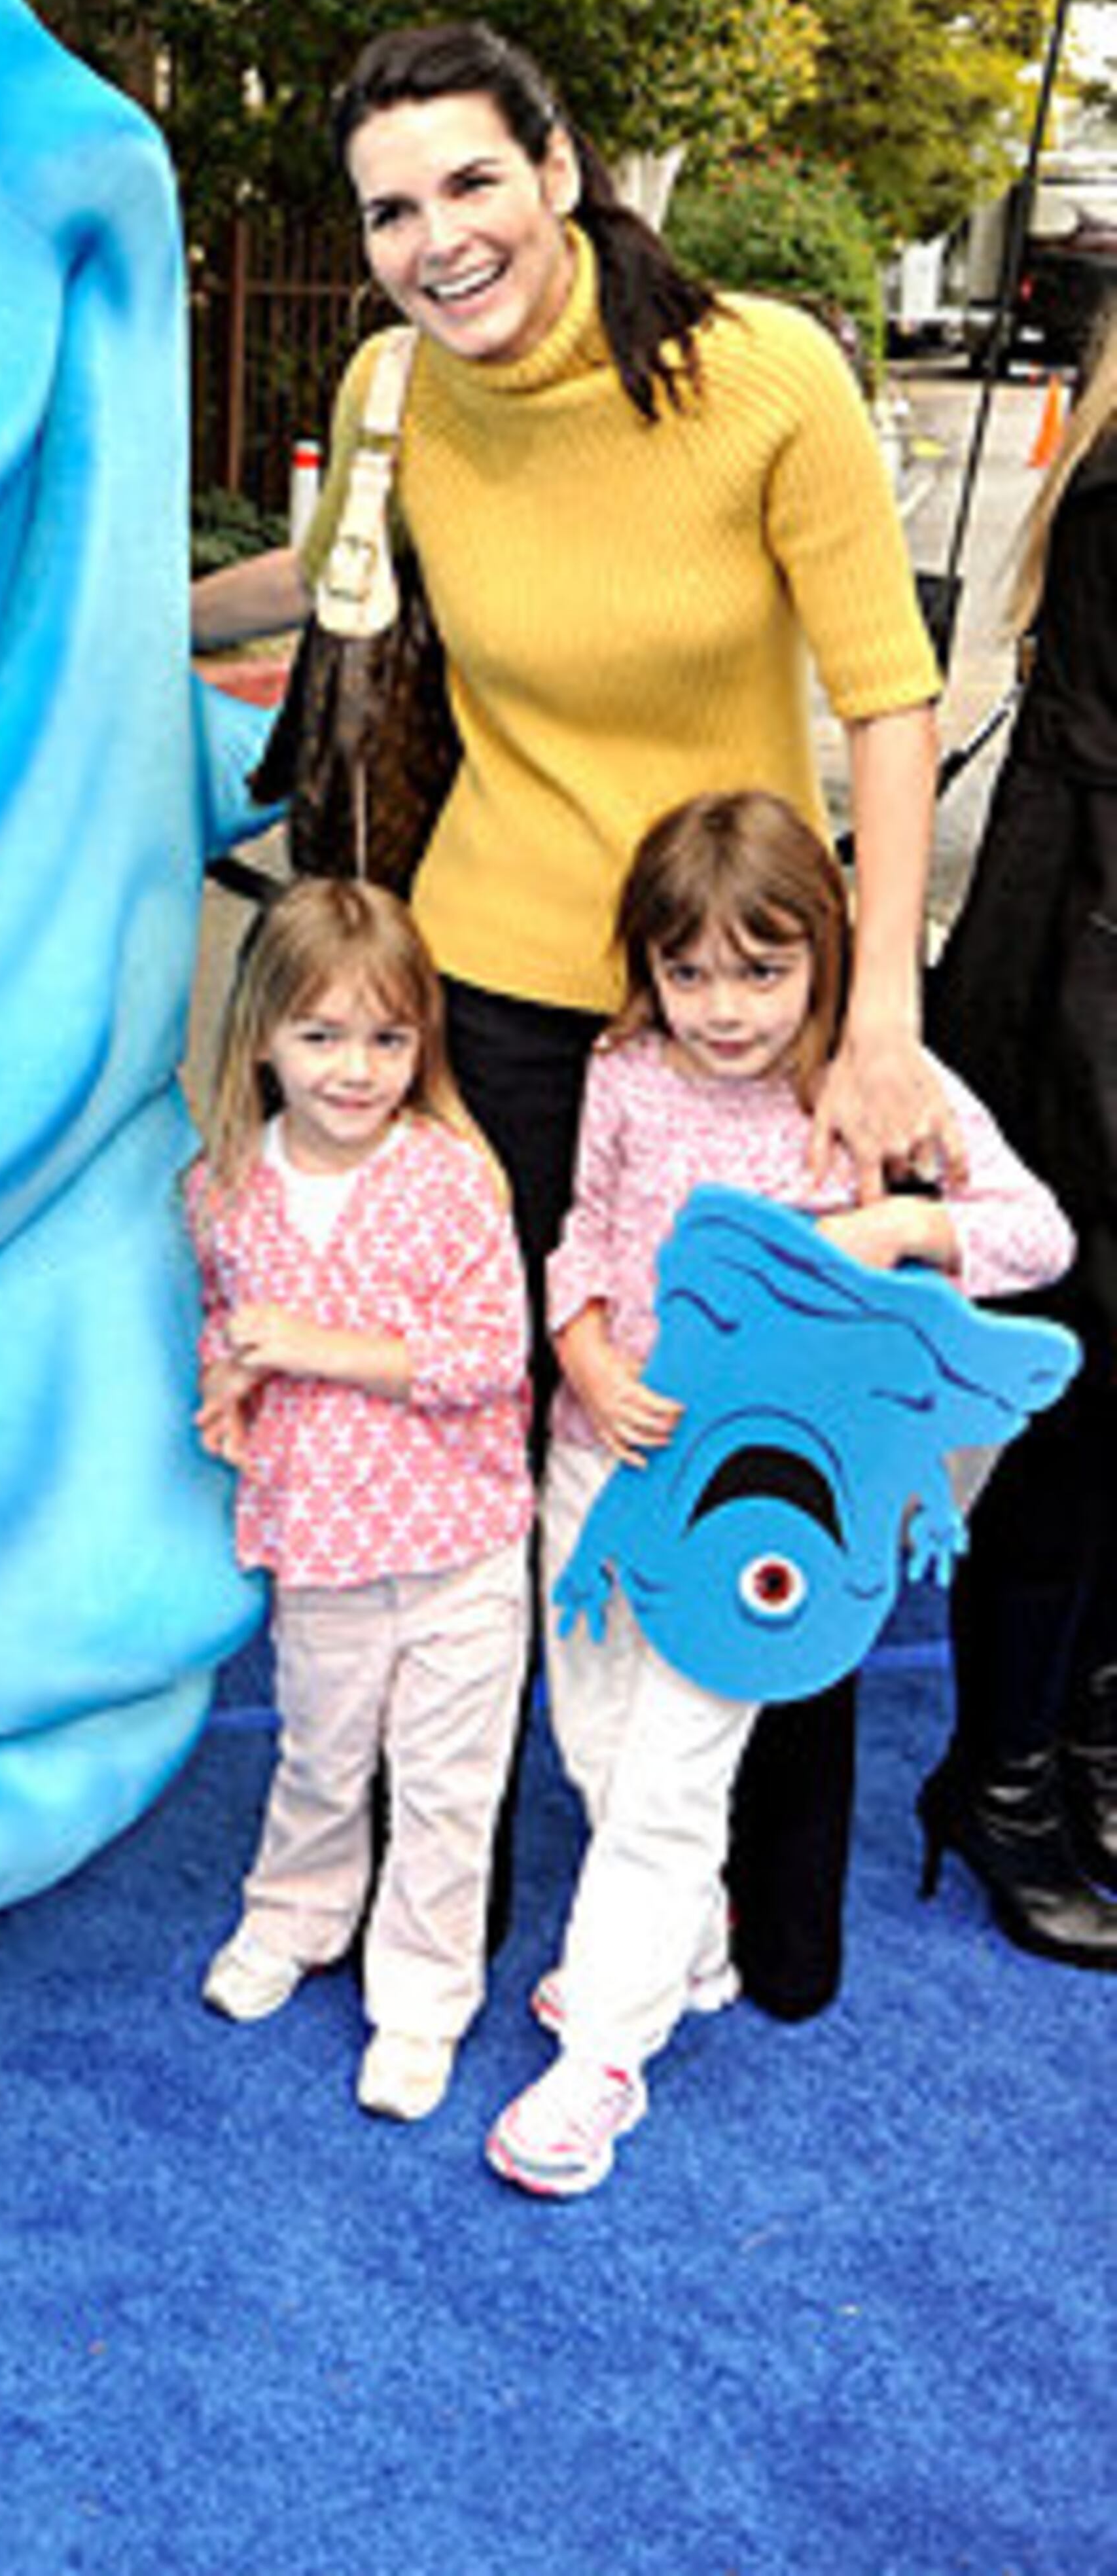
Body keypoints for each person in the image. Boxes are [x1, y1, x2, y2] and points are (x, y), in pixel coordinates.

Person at [192, 20, 961, 2021]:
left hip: (729, 995)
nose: (437, 240)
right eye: (388, 208)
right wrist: (109, 598)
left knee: (750, 1432)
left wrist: (875, 1012)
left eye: (470, 181)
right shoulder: (390, 395)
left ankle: (746, 1906)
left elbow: (890, 696)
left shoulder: (765, 374)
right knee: (491, 1423)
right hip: (490, 988)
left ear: (560, 165)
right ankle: (452, 1882)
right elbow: (334, 583)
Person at [485, 793, 1072, 2198]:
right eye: (688, 972)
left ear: (826, 954)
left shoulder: (871, 1091)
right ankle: (686, 1946)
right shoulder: (628, 1070)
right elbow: (582, 1239)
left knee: (673, 1782)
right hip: (607, 1462)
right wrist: (580, 1352)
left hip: (768, 1524)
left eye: (761, 970)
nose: (723, 1008)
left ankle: (601, 2061)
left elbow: (1038, 1235)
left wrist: (899, 1224)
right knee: (600, 1746)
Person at [186, 877, 533, 2123]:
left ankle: (424, 2002)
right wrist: (229, 1379)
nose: (355, 1069)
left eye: (388, 1038)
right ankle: (293, 1919)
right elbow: (234, 1326)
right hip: (321, 1551)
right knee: (321, 1764)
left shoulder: (449, 1178)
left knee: (447, 1791)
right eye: (321, 1036)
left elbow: (490, 1359)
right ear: (263, 1035)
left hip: (463, 1555)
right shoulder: (223, 1188)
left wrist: (311, 1346)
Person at [919, 328, 1117, 1965]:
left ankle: (1086, 1751)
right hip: (1080, 994)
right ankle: (1005, 1781)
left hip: (1078, 955)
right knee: (1085, 1408)